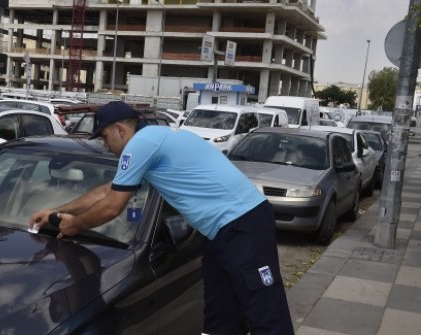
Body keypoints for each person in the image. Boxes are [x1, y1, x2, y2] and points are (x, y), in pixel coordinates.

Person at [29, 101, 294, 334]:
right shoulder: (156, 138)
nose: (105, 145)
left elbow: (112, 207)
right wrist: (56, 212)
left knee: (265, 311)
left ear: (121, 130)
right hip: (221, 232)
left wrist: (75, 225)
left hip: (243, 224)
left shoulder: (141, 145)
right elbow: (107, 191)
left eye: (106, 137)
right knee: (220, 315)